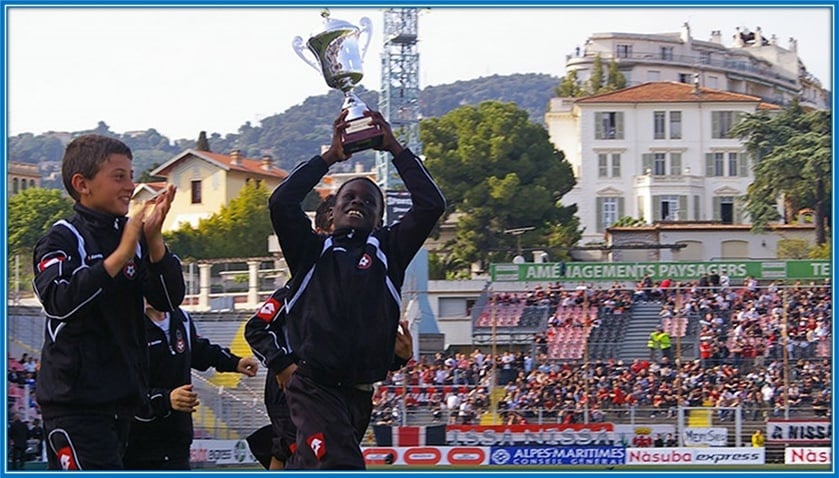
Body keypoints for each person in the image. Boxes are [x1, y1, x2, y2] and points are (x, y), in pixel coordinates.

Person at [269, 110, 445, 469]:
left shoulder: (389, 250)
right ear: (330, 212)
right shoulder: (310, 251)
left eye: (368, 202)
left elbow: (431, 204)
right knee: (341, 466)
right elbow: (281, 203)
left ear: (380, 219)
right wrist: (331, 156)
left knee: (310, 466)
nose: (356, 202)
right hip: (314, 388)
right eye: (347, 197)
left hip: (359, 395)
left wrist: (395, 147)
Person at [31, 134, 186, 470]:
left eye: (131, 175)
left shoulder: (131, 236)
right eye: (119, 176)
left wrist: (154, 239)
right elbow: (58, 300)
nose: (130, 186)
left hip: (123, 404)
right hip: (75, 407)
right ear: (82, 184)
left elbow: (169, 299)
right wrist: (120, 256)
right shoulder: (62, 237)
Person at [244, 193, 415, 470]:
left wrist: (397, 357)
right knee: (309, 455)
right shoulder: (299, 289)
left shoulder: (368, 296)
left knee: (308, 459)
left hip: (346, 395)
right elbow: (257, 327)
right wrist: (283, 365)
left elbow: (361, 352)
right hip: (303, 388)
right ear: (322, 234)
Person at [122, 303, 259, 470]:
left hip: (177, 440)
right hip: (135, 444)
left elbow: (198, 350)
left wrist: (234, 362)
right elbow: (123, 387)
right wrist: (166, 400)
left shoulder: (181, 318)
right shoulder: (125, 323)